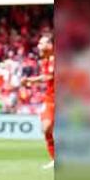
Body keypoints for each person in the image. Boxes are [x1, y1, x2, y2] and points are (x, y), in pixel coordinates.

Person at [22, 34, 54, 169]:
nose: (38, 46)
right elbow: (48, 79)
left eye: (42, 43)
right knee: (46, 129)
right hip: (50, 99)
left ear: (50, 45)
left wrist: (30, 80)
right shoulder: (45, 61)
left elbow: (50, 76)